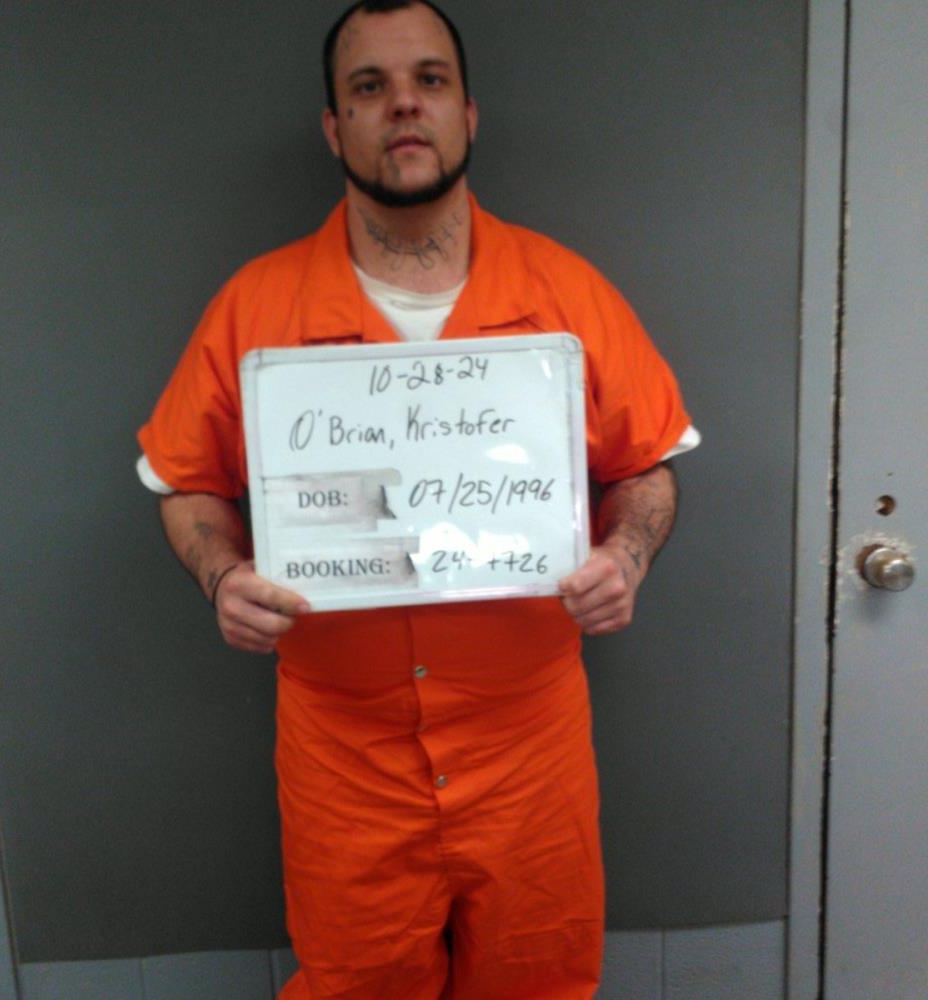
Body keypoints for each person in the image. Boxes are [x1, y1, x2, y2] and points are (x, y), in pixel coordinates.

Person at [137, 2, 699, 996]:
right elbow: (185, 481)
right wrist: (221, 575)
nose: (403, 104)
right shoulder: (255, 306)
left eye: (429, 80)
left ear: (467, 114)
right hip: (342, 757)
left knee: (539, 981)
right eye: (370, 86)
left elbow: (647, 465)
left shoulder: (567, 293)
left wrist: (629, 554)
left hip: (529, 748)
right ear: (334, 127)